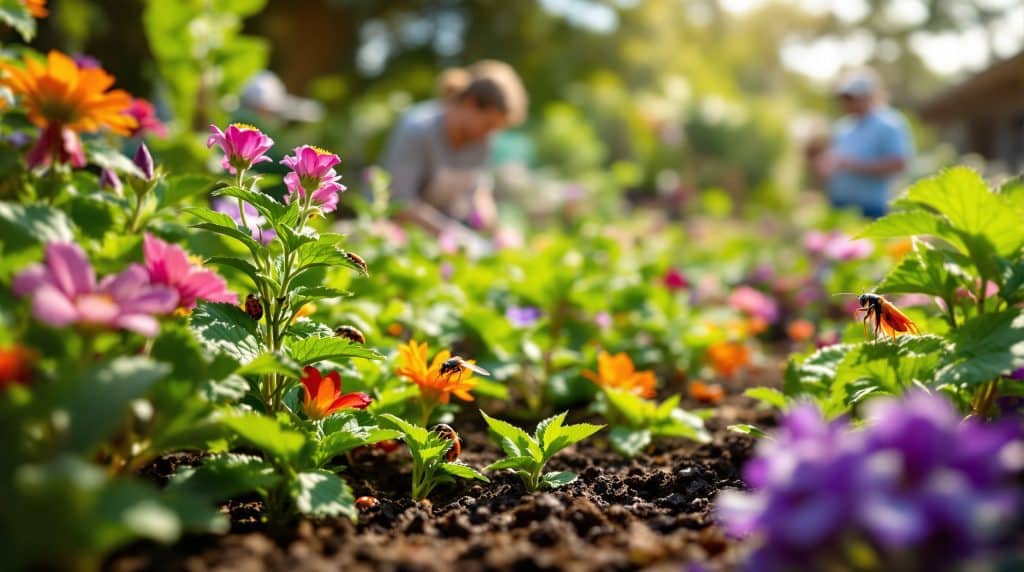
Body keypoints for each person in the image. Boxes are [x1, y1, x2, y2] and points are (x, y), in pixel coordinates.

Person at [382, 60, 528, 236]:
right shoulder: (418, 129)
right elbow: (400, 203)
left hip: (440, 235)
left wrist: (494, 229)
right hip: (392, 229)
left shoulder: (483, 142)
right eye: (488, 124)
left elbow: (478, 188)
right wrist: (454, 235)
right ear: (471, 104)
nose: (489, 135)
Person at [814, 68, 913, 219]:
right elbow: (834, 161)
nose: (847, 103)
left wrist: (855, 165)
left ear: (869, 96)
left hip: (871, 207)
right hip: (839, 204)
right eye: (845, 98)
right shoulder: (842, 127)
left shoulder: (889, 124)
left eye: (852, 98)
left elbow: (899, 164)